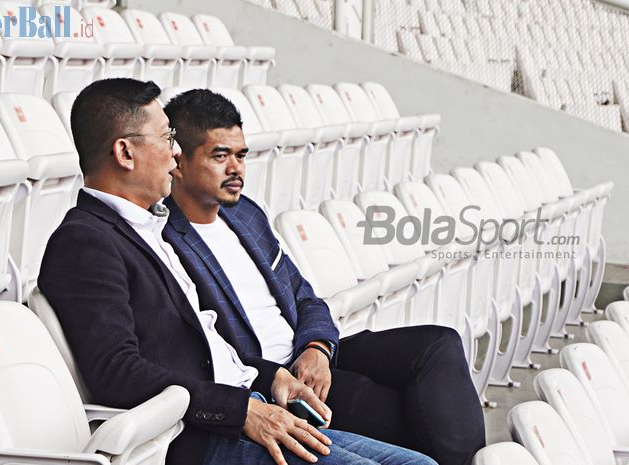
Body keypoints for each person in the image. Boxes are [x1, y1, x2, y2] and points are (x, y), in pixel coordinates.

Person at [38, 78, 437, 465]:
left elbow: (204, 348)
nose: (176, 155)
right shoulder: (85, 242)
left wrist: (269, 378)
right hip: (195, 438)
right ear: (125, 153)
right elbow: (116, 373)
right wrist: (241, 411)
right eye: (166, 139)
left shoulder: (146, 228)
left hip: (250, 406)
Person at [162, 89, 486, 465]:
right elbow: (205, 348)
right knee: (409, 413)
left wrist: (317, 347)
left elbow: (304, 296)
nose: (237, 168)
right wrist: (282, 373)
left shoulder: (245, 215)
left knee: (437, 344)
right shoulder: (166, 239)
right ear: (178, 162)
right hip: (272, 380)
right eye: (220, 156)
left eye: (241, 155)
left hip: (308, 354)